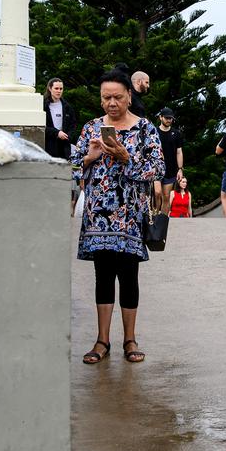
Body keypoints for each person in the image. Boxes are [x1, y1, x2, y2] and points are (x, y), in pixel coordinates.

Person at [72, 68, 165, 365]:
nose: (112, 103)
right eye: (106, 97)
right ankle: (102, 340)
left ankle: (130, 339)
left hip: (129, 216)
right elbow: (73, 167)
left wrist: (127, 159)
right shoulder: (90, 128)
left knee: (128, 276)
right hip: (98, 216)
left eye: (117, 97)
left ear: (129, 96)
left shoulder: (145, 129)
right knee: (102, 276)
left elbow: (158, 169)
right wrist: (90, 157)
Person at [156, 107, 185, 208]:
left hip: (171, 170)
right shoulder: (154, 133)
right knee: (157, 194)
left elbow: (179, 152)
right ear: (161, 117)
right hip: (156, 169)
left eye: (171, 118)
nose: (169, 120)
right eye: (167, 118)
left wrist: (180, 169)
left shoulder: (176, 133)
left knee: (166, 197)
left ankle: (162, 222)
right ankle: (154, 219)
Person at [44, 77, 78, 160]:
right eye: (56, 88)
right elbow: (41, 126)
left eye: (61, 89)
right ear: (50, 88)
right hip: (48, 144)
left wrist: (68, 136)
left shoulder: (67, 107)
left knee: (63, 171)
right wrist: (57, 133)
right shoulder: (43, 106)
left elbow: (73, 124)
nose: (59, 91)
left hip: (64, 146)